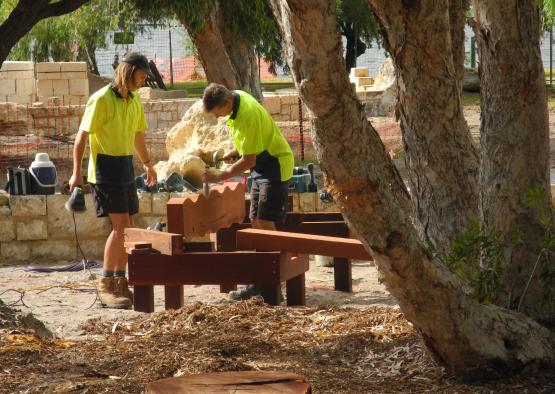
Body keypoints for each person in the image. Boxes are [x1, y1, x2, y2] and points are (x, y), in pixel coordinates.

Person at [69, 52, 157, 309]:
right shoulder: (101, 100)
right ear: (128, 72)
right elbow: (81, 138)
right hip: (105, 170)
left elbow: (138, 136)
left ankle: (120, 281)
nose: (143, 82)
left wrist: (149, 164)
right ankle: (107, 284)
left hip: (125, 167)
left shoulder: (134, 101)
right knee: (120, 228)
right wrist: (77, 172)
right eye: (141, 76)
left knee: (127, 228)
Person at [202, 83, 294, 301]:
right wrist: (231, 153)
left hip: (275, 165)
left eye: (219, 113)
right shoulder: (236, 102)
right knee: (255, 221)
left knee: (266, 224)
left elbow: (249, 159)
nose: (219, 117)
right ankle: (262, 280)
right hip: (260, 167)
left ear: (228, 102)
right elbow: (247, 145)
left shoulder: (247, 113)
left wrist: (220, 176)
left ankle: (272, 284)